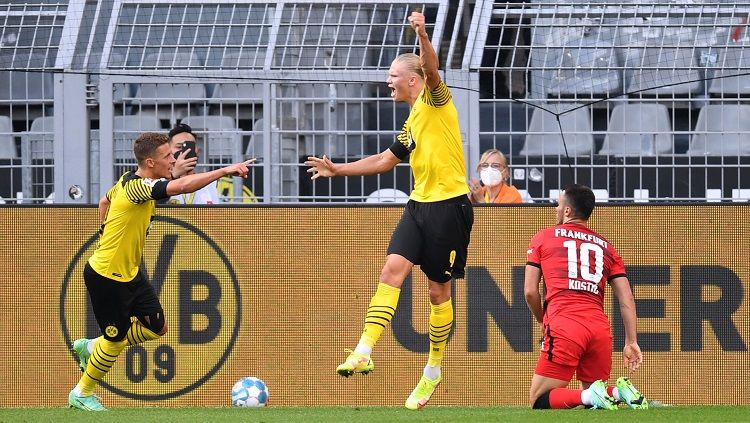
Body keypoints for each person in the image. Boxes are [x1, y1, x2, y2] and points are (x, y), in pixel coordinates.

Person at [305, 11, 473, 410]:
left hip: (450, 207)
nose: (387, 81)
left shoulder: (435, 99)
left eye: (393, 75)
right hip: (417, 206)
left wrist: (422, 33)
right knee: (391, 270)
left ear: (412, 80)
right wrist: (336, 169)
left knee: (437, 293)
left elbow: (432, 69)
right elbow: (385, 161)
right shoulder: (412, 120)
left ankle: (432, 370)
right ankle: (363, 349)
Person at [68, 132, 253, 411]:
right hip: (107, 276)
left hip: (129, 272)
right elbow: (179, 188)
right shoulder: (136, 188)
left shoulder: (127, 181)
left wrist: (105, 231)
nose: (174, 158)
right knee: (116, 339)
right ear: (151, 162)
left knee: (157, 327)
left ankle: (94, 347)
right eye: (168, 156)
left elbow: (104, 202)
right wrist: (225, 170)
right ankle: (82, 393)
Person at [524, 184, 648, 410]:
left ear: (568, 211)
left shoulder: (543, 238)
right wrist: (631, 341)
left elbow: (530, 291)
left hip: (565, 324)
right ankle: (619, 392)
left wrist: (543, 320)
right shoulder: (608, 248)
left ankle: (595, 396)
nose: (556, 209)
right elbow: (626, 298)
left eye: (559, 205)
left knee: (539, 398)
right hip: (599, 330)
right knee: (594, 393)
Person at [167, 123, 222, 204]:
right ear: (169, 152)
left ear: (198, 151)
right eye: (179, 147)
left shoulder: (210, 183)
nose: (185, 151)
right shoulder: (159, 183)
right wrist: (173, 175)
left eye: (190, 147)